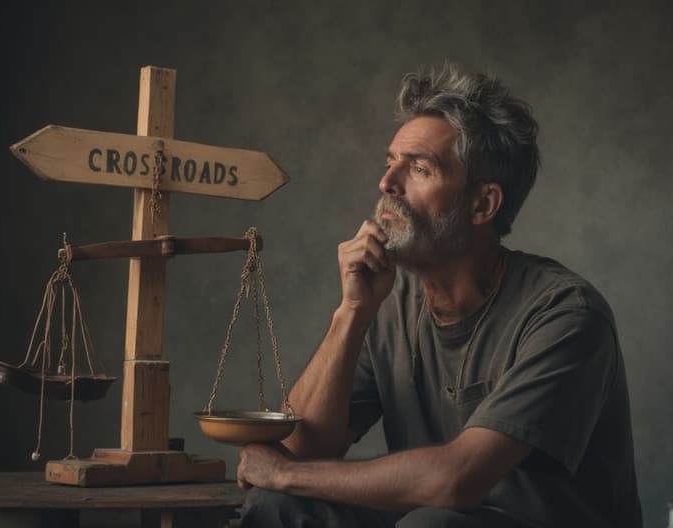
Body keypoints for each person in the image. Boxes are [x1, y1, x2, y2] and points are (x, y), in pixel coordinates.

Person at [236, 63, 642, 527]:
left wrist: (286, 475)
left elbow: (456, 482)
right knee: (276, 508)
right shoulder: (388, 303)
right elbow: (299, 448)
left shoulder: (565, 315)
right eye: (391, 162)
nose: (387, 184)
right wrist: (351, 313)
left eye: (419, 168)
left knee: (429, 523)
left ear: (482, 204)